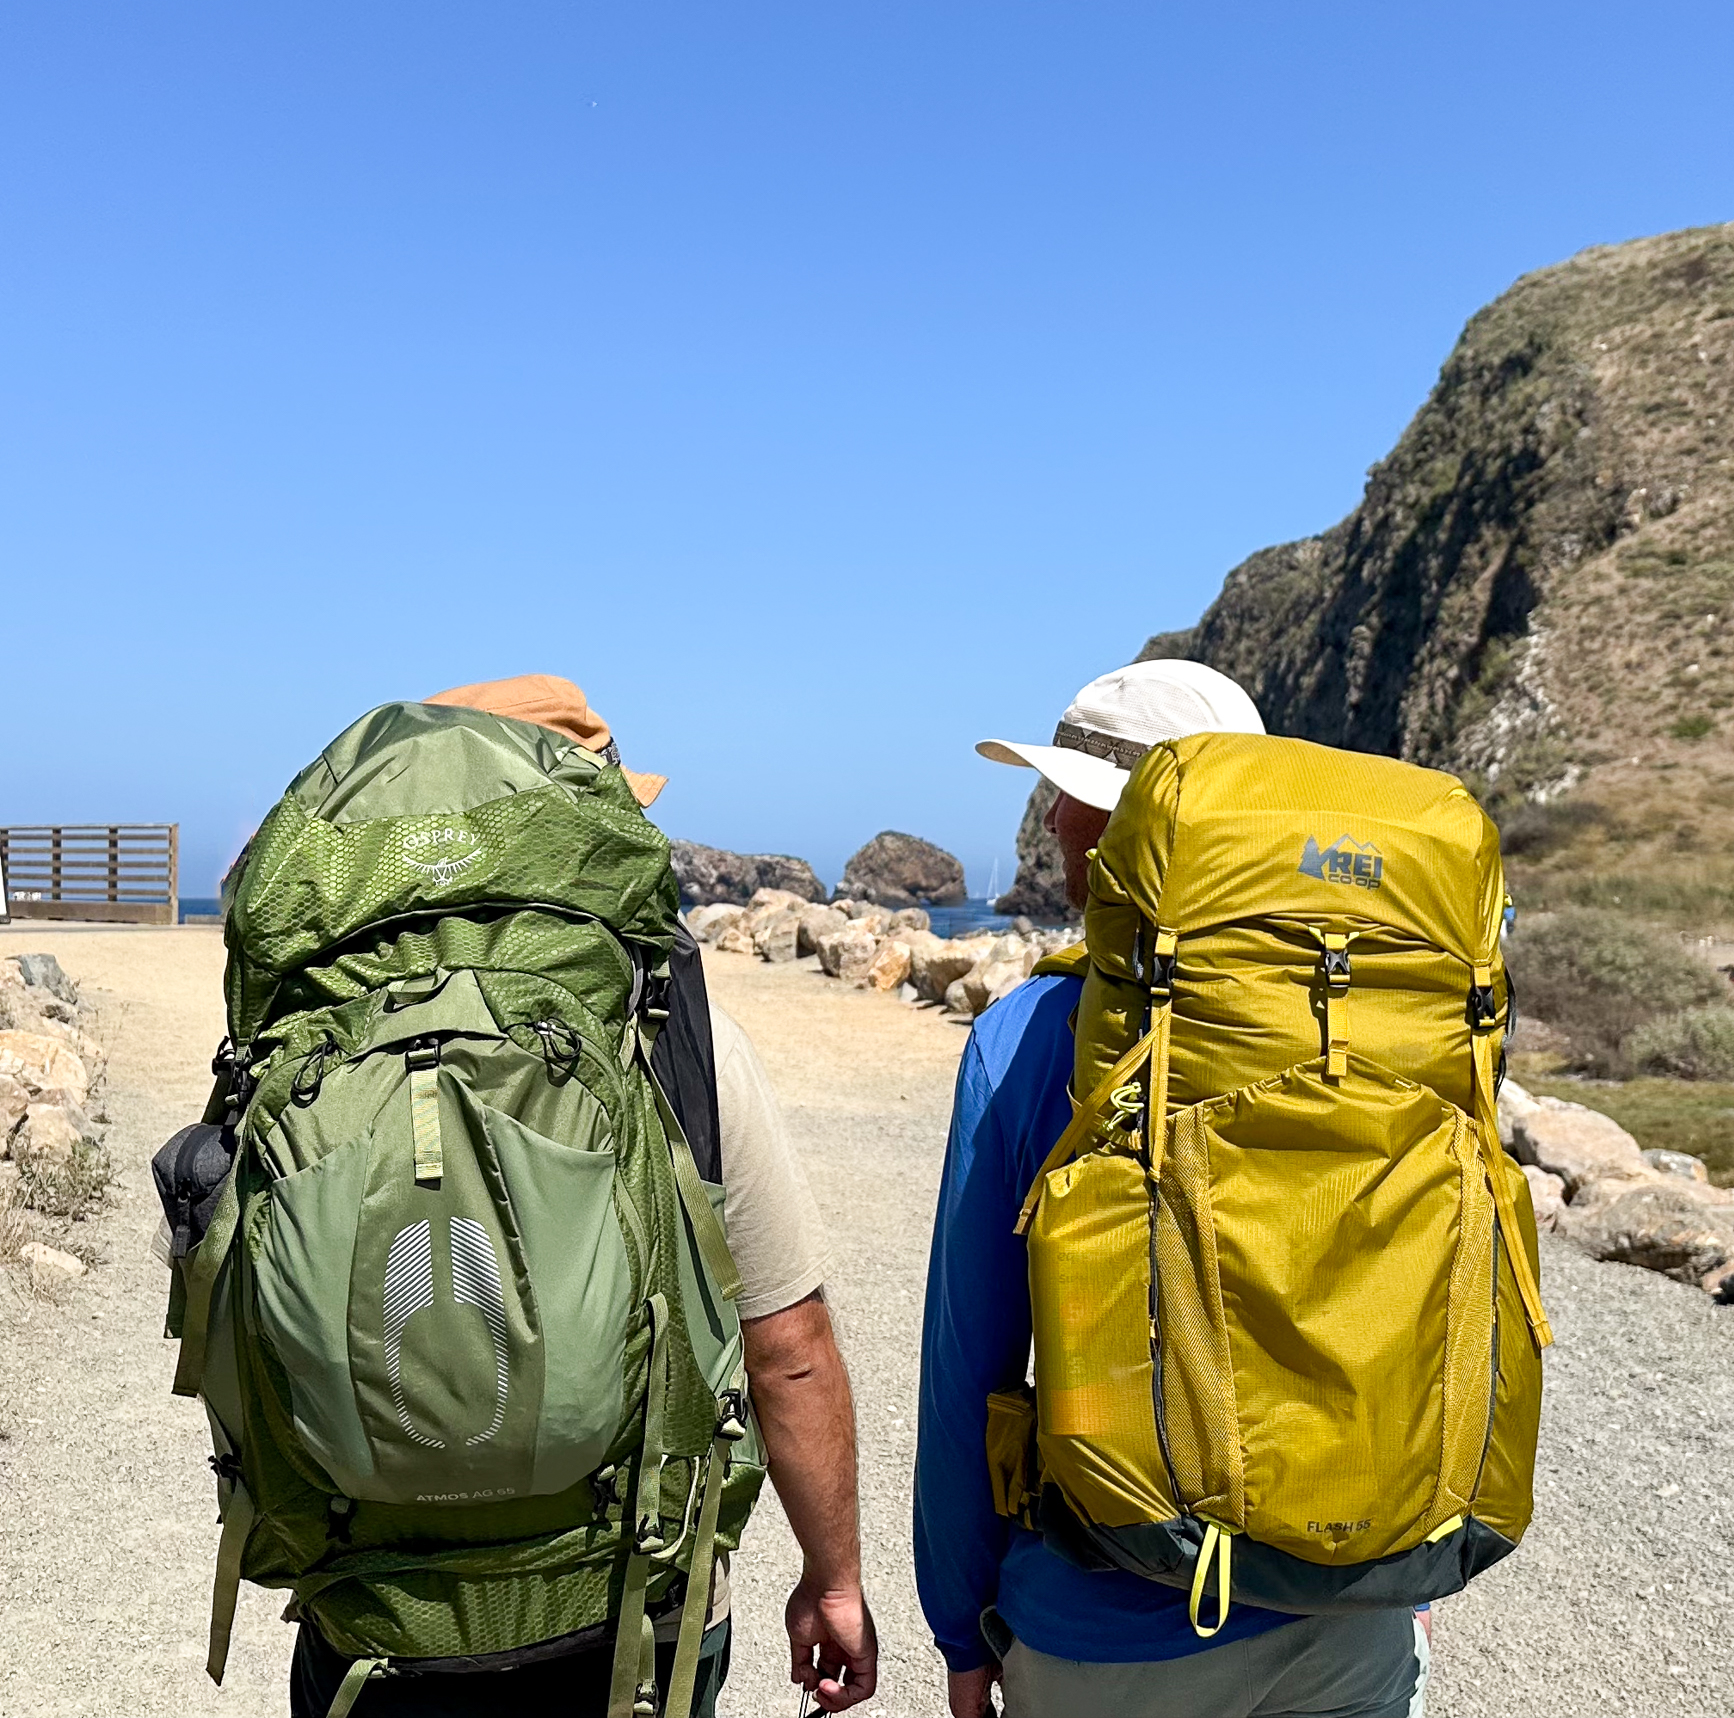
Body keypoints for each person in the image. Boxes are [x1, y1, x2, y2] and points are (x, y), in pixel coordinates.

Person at [285, 675, 880, 1717]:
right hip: (627, 1620)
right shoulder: (677, 1032)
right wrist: (833, 1582)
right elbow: (789, 1346)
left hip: (374, 1610)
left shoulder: (306, 1033)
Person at [913, 660, 1430, 1718]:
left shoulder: (1025, 1039)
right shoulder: (1373, 1025)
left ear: (1116, 823)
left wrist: (959, 1627)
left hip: (1102, 1628)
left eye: (1069, 793)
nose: (1052, 815)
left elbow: (969, 1364)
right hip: (1350, 1613)